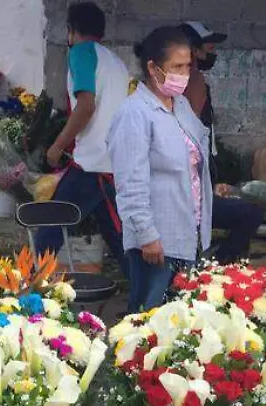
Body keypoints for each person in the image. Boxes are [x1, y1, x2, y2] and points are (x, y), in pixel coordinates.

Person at [109, 27, 212, 312]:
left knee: (178, 324)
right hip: (155, 243)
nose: (184, 73)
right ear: (153, 67)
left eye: (188, 65)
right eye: (176, 67)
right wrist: (146, 235)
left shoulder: (180, 106)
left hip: (186, 233)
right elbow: (130, 182)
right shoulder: (135, 113)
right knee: (146, 323)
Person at [38, 2, 131, 277]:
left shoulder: (80, 52)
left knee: (49, 230)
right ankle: (153, 296)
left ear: (71, 30)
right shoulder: (115, 63)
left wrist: (56, 146)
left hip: (91, 164)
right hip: (112, 163)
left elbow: (86, 105)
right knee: (120, 238)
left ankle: (32, 296)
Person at [179, 20, 264, 264]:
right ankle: (218, 263)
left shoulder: (189, 81)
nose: (212, 53)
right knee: (251, 215)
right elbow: (190, 135)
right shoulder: (193, 80)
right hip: (189, 193)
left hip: (193, 187)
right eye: (208, 48)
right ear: (192, 49)